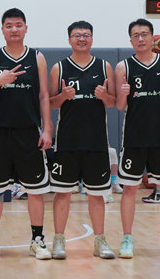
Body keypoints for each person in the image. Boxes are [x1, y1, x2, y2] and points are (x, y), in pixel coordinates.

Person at [0, 8, 53, 260]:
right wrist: (0, 80)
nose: (14, 29)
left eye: (18, 25)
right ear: (2, 30)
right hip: (0, 133)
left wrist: (47, 128)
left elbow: (44, 95)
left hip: (29, 133)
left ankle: (37, 240)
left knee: (35, 191)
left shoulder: (37, 57)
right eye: (9, 25)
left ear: (26, 28)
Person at [114, 18, 160, 259]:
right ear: (130, 40)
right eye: (135, 35)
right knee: (129, 189)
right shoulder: (123, 67)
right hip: (134, 138)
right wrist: (123, 95)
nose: (140, 38)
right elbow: (119, 106)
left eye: (144, 34)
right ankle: (127, 239)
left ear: (152, 37)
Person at [48, 21, 115, 259]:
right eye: (77, 35)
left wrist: (104, 95)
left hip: (96, 141)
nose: (82, 39)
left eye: (86, 35)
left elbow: (113, 102)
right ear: (69, 40)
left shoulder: (104, 66)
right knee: (63, 193)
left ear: (92, 39)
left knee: (96, 194)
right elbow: (50, 103)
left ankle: (100, 241)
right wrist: (63, 96)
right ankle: (58, 241)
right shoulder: (59, 67)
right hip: (68, 141)